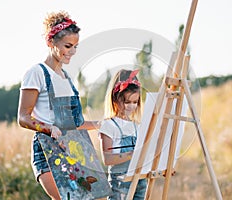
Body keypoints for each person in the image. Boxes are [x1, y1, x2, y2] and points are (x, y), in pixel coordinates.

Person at [17, 11, 99, 200]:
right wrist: (48, 128)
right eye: (68, 46)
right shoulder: (36, 72)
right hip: (48, 148)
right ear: (50, 43)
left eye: (76, 47)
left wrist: (101, 124)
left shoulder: (67, 78)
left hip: (74, 148)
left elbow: (75, 124)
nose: (72, 52)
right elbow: (23, 117)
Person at [99, 69, 147, 200]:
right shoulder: (109, 125)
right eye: (127, 102)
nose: (131, 106)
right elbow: (107, 159)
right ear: (115, 99)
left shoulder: (137, 125)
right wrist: (132, 154)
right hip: (120, 183)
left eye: (135, 102)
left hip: (140, 180)